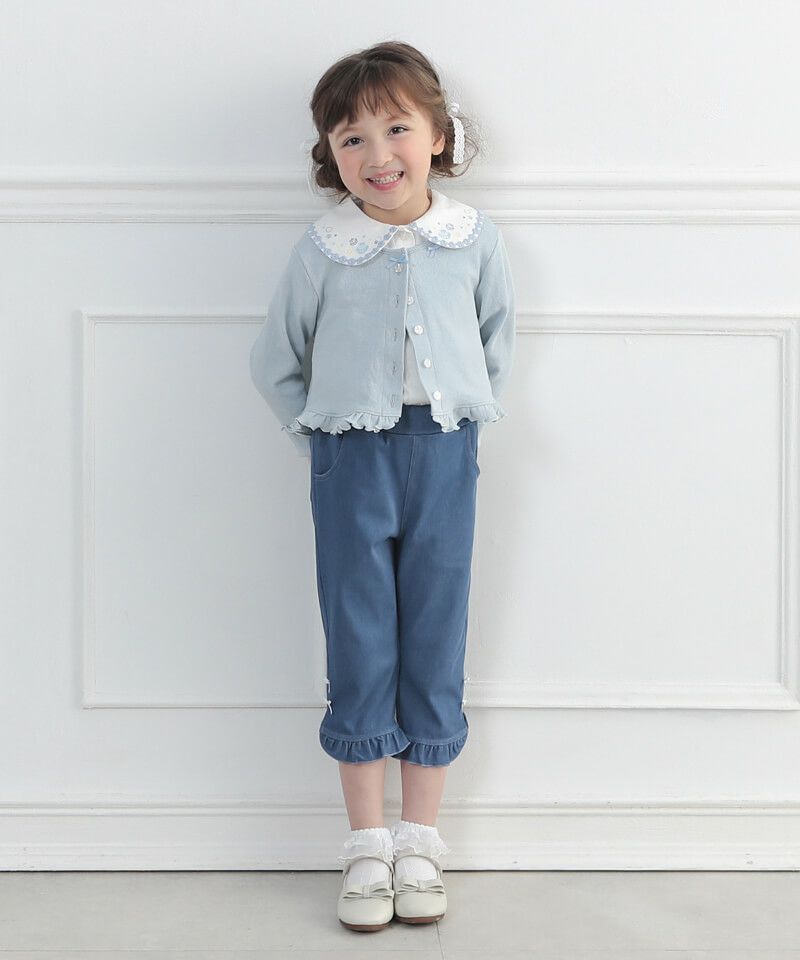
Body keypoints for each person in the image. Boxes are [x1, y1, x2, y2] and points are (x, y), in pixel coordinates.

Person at [249, 40, 515, 932]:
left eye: (396, 128)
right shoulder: (326, 248)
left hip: (445, 453)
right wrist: (322, 443)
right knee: (360, 639)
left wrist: (462, 419)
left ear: (438, 135)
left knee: (437, 633)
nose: (377, 154)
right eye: (351, 138)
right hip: (349, 461)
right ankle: (367, 844)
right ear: (332, 156)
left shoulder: (472, 239)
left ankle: (420, 840)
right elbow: (276, 360)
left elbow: (494, 342)